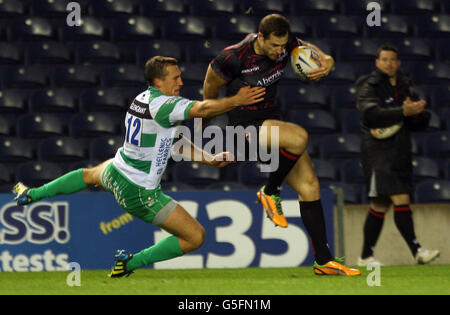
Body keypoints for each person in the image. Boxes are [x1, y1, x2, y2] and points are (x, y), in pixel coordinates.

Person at [12, 56, 266, 277]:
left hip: (117, 170)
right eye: (175, 78)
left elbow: (173, 140)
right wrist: (236, 100)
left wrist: (207, 158)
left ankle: (30, 194)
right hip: (139, 190)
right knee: (195, 237)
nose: (180, 82)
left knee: (88, 175)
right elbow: (202, 108)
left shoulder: (143, 99)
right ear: (158, 82)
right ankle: (129, 262)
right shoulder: (164, 105)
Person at [203, 14, 360, 276]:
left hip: (269, 121)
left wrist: (328, 61)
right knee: (298, 137)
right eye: (275, 46)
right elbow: (209, 90)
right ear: (260, 37)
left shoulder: (286, 44)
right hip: (241, 125)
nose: (280, 52)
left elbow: (310, 49)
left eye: (283, 46)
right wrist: (228, 107)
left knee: (310, 186)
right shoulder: (232, 58)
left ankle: (324, 261)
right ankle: (270, 191)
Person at [356, 43, 440, 266]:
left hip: (400, 151)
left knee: (380, 205)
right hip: (377, 153)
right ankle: (418, 251)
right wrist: (403, 111)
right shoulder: (368, 85)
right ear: (377, 62)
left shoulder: (406, 86)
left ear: (398, 62)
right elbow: (370, 114)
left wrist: (419, 114)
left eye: (393, 60)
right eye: (384, 59)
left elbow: (416, 122)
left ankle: (365, 256)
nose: (389, 63)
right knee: (401, 197)